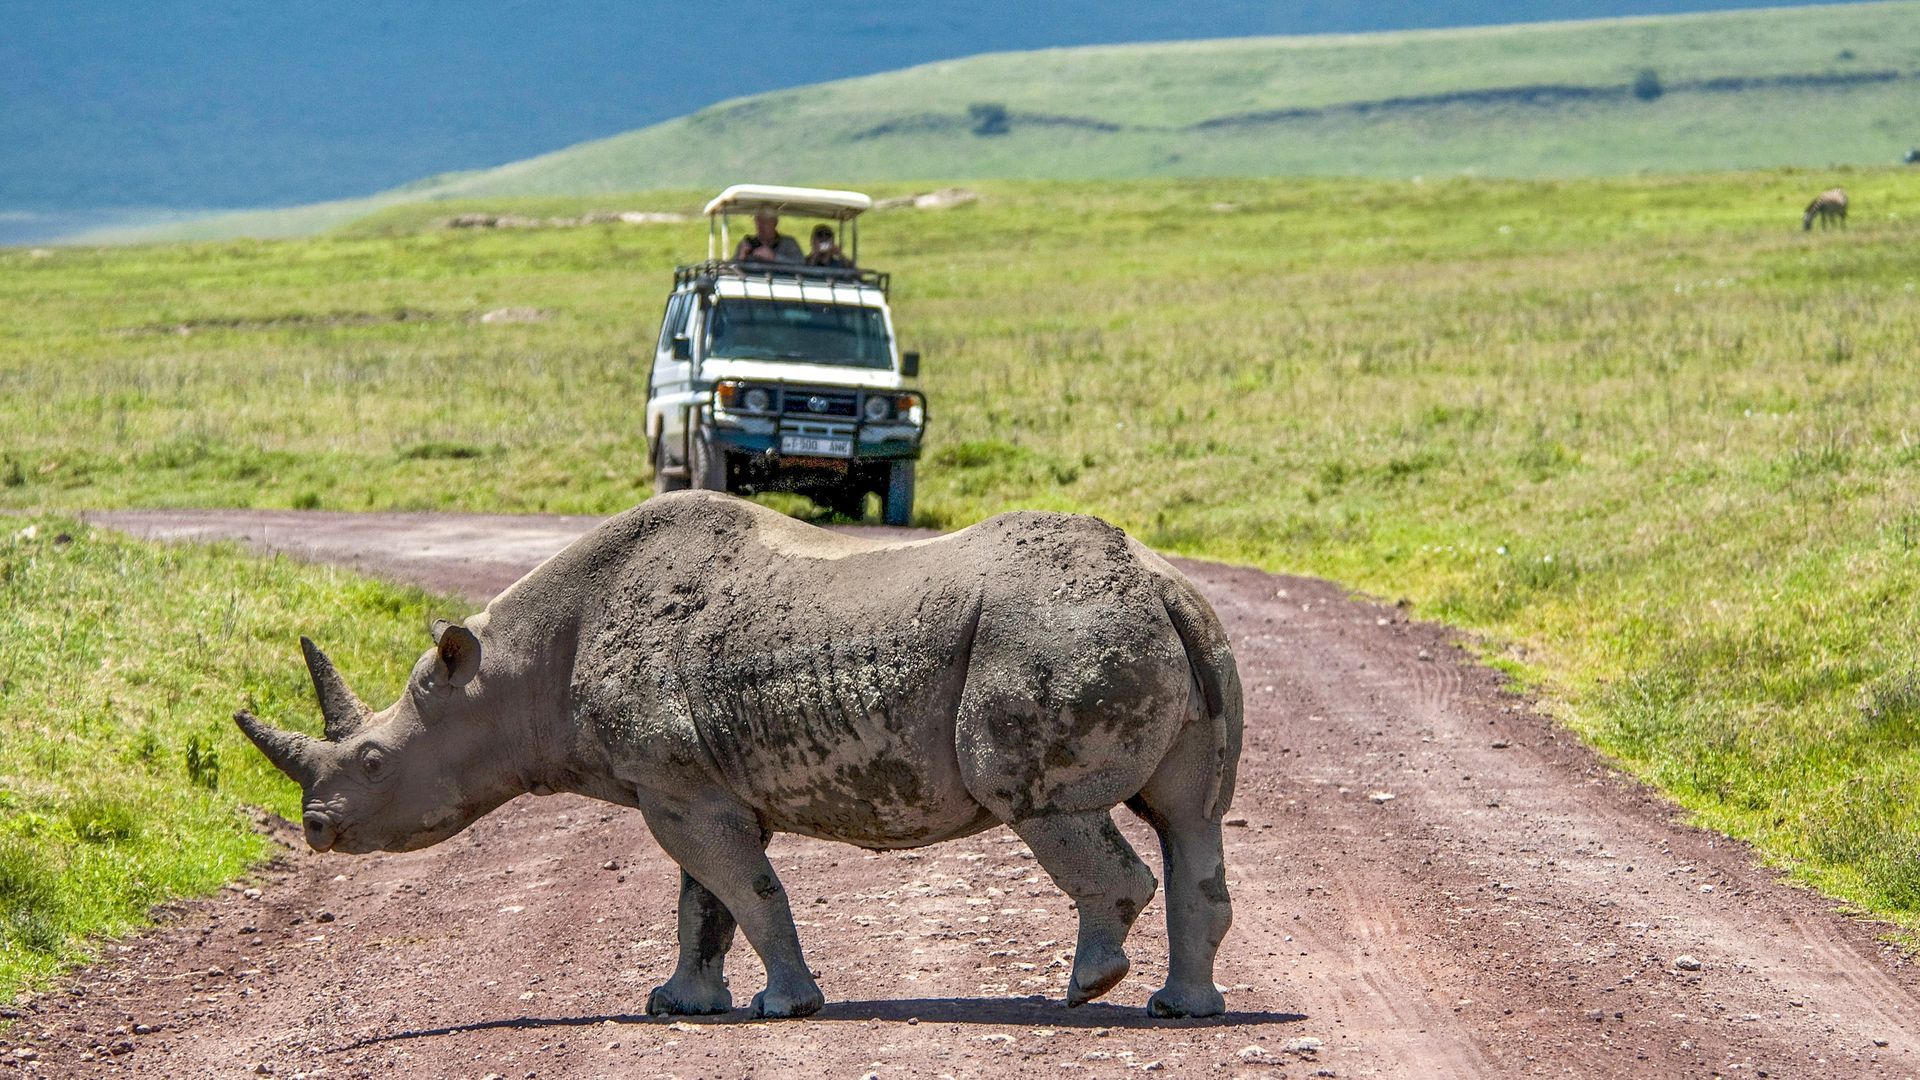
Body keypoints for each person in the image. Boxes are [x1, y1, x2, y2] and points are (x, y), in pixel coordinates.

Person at [734, 211, 802, 263]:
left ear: (775, 223)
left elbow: (801, 264)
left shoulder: (788, 244)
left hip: (781, 280)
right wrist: (742, 257)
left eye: (766, 222)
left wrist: (774, 257)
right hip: (752, 280)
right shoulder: (747, 244)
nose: (761, 226)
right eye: (758, 221)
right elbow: (731, 270)